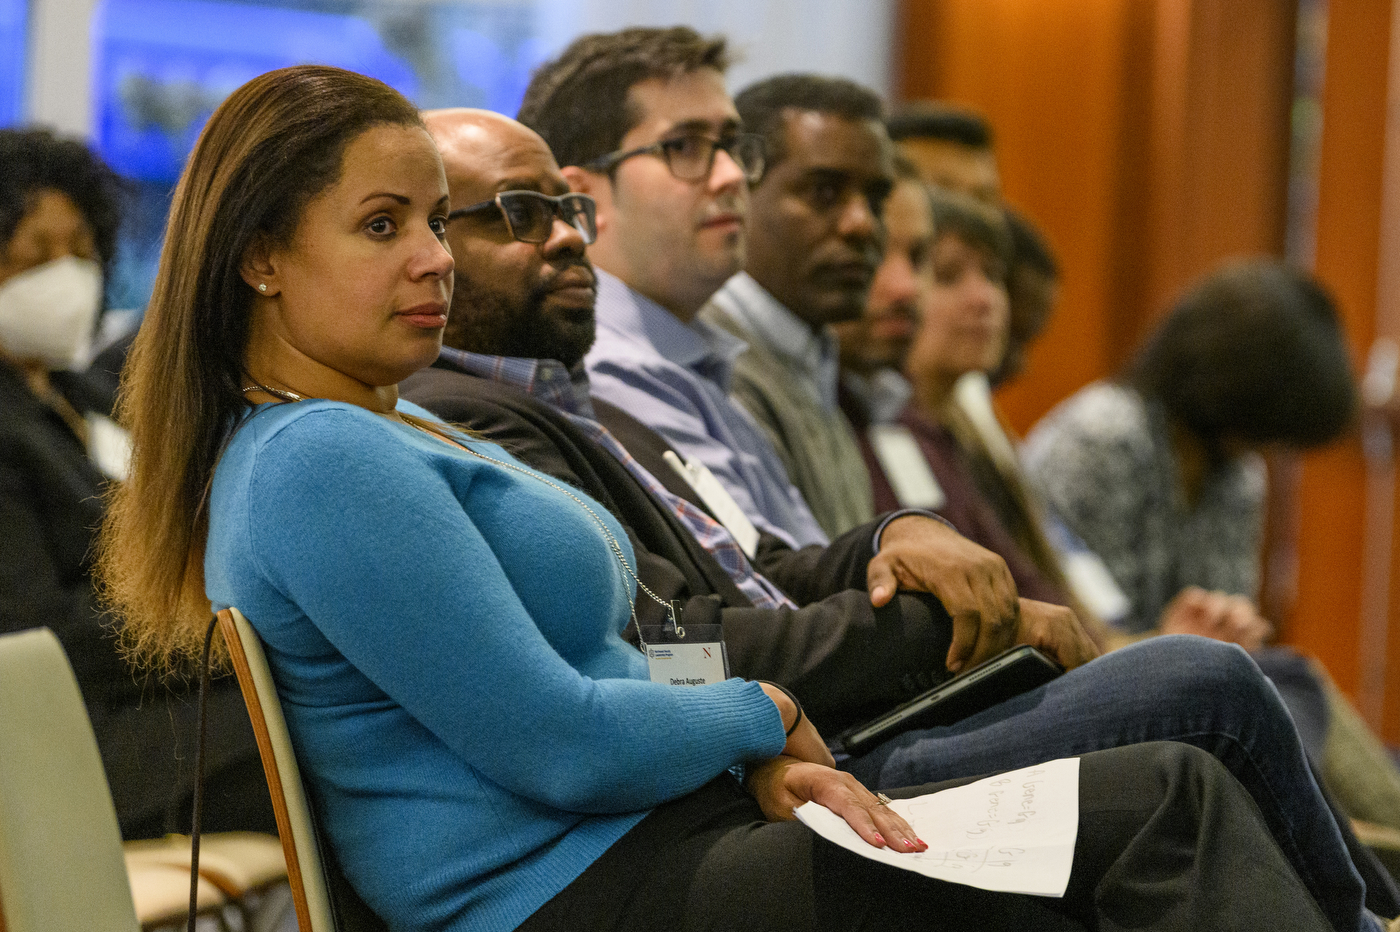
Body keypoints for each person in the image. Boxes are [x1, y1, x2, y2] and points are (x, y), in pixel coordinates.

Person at [90, 62, 1386, 932]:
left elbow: (612, 672)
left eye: (435, 220)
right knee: (1164, 794)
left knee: (1169, 768)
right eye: (386, 227)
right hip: (572, 895)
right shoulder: (319, 460)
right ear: (260, 256)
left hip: (644, 839)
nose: (434, 258)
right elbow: (555, 738)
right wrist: (759, 717)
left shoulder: (392, 420)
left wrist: (748, 750)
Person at [0, 127, 272, 840]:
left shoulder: (86, 395)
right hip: (80, 740)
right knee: (322, 732)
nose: (66, 274)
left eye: (82, 251)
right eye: (35, 255)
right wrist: (220, 636)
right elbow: (43, 636)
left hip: (161, 692)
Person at [699, 73, 891, 539]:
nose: (861, 225)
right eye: (824, 193)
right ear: (739, 191)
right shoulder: (711, 365)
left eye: (876, 200)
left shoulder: (816, 353)